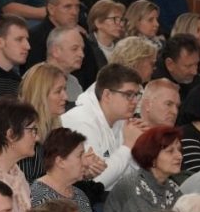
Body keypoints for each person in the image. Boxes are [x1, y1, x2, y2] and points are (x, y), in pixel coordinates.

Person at [30, 127, 112, 212]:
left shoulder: (79, 194)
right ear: (60, 161)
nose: (86, 162)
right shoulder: (40, 196)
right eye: (80, 155)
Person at [60, 62, 143, 191]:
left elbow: (130, 175)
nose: (135, 101)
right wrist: (128, 146)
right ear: (107, 95)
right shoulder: (81, 120)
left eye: (137, 95)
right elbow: (96, 183)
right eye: (128, 95)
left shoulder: (122, 120)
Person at [104, 124, 182, 212]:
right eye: (170, 151)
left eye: (179, 150)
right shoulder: (131, 186)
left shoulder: (172, 188)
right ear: (152, 157)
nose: (179, 156)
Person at [26, 0, 97, 90]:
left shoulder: (80, 38)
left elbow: (92, 76)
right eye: (68, 7)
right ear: (51, 9)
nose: (74, 12)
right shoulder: (33, 37)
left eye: (77, 6)